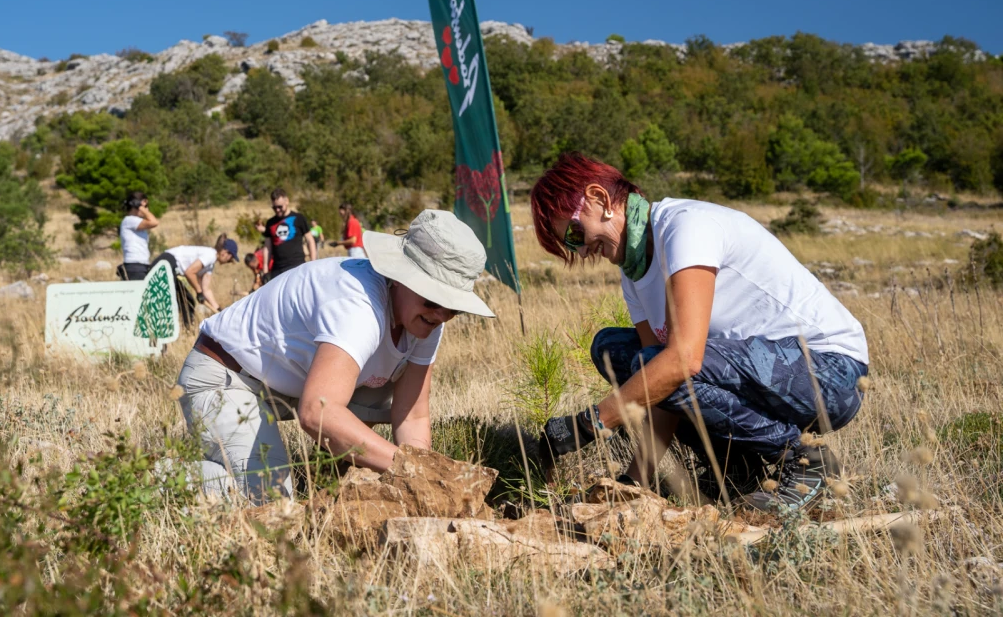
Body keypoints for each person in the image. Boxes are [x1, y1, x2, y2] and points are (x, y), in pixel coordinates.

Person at [529, 152, 869, 513]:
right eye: (570, 245)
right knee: (614, 350)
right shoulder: (634, 271)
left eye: (574, 232)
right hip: (763, 375)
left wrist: (590, 423)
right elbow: (659, 391)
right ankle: (735, 470)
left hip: (830, 373)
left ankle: (805, 463)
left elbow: (683, 361)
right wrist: (632, 483)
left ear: (599, 199)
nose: (581, 251)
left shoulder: (684, 227)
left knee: (660, 362)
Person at [175, 209, 495, 503]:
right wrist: (410, 470)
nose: (441, 313)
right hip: (227, 375)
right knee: (270, 502)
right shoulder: (359, 305)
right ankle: (155, 481)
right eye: (432, 298)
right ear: (401, 276)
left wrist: (421, 486)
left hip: (291, 382)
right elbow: (318, 413)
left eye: (452, 307)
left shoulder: (426, 322)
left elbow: (411, 416)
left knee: (385, 395)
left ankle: (335, 477)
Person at [151, 235, 239, 325]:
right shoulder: (210, 255)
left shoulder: (211, 265)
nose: (229, 261)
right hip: (166, 262)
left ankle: (188, 329)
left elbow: (206, 290)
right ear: (225, 252)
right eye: (231, 258)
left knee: (188, 301)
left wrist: (218, 309)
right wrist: (198, 291)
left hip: (172, 269)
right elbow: (189, 272)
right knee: (165, 300)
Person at [262, 188, 315, 282]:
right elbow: (267, 247)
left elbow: (310, 240)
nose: (277, 210)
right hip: (277, 270)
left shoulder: (299, 218)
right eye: (274, 208)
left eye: (280, 207)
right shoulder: (270, 223)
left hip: (297, 266)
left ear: (287, 201)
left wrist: (313, 263)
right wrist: (265, 270)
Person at [117, 191, 159, 281]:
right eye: (145, 207)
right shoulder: (129, 220)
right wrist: (141, 207)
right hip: (134, 266)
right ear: (136, 205)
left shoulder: (135, 221)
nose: (147, 210)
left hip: (141, 265)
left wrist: (141, 207)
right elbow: (154, 222)